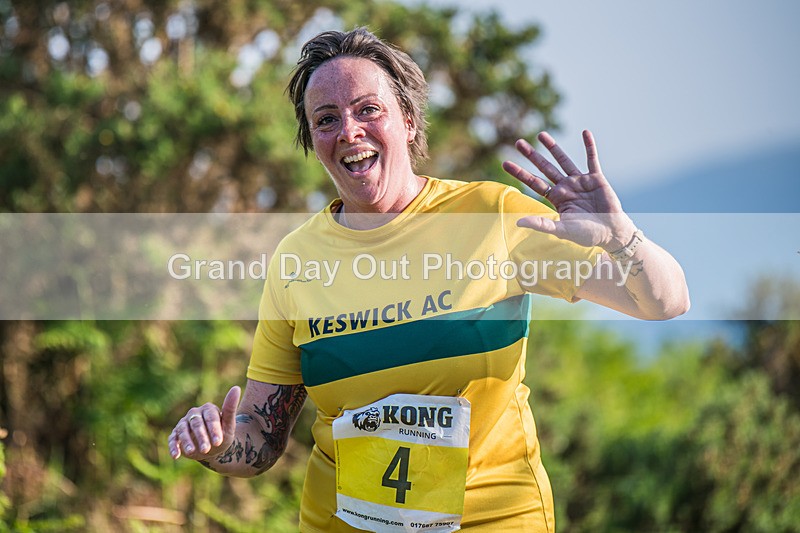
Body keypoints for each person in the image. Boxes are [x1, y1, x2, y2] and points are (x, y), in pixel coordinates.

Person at [168, 27, 689, 532]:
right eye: (326, 119)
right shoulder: (296, 260)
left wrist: (621, 237)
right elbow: (260, 437)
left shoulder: (491, 216)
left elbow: (664, 302)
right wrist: (218, 446)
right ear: (313, 141)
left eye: (368, 109)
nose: (349, 131)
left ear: (410, 121)